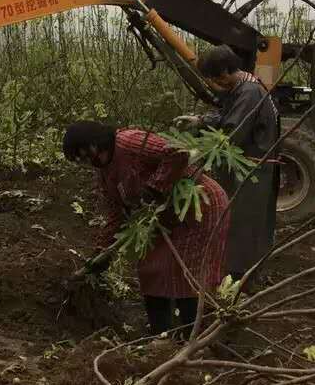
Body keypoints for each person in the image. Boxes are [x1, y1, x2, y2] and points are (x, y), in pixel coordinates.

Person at [63, 121, 228, 337]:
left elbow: (178, 152)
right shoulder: (104, 174)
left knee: (186, 273)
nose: (89, 162)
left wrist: (155, 188)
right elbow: (116, 214)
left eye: (85, 154)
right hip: (163, 218)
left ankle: (193, 338)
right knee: (151, 270)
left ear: (95, 143)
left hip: (197, 207)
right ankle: (161, 336)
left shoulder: (129, 142)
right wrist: (100, 254)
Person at [186, 46, 279, 283]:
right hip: (249, 165)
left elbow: (232, 131)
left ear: (226, 72)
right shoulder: (243, 87)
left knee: (244, 222)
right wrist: (200, 120)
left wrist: (199, 151)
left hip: (252, 167)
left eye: (216, 77)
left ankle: (241, 278)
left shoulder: (249, 92)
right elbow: (227, 116)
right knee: (246, 222)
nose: (217, 83)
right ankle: (244, 273)